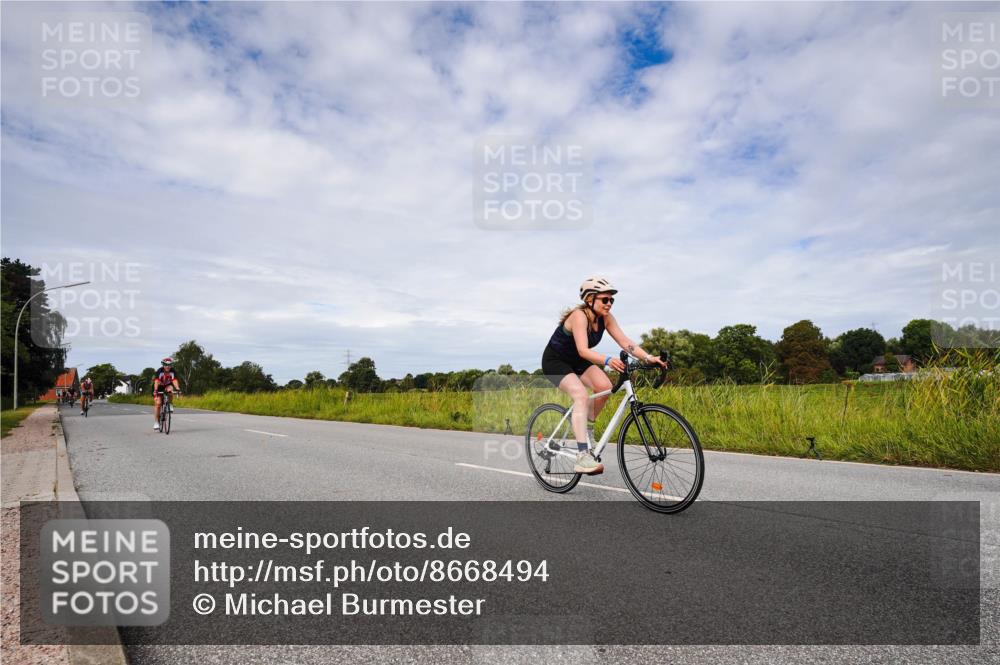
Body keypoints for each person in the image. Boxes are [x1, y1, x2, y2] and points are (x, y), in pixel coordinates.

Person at [541, 277, 666, 474]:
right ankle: (582, 456)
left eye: (611, 300)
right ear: (590, 299)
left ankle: (585, 426)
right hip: (555, 361)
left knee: (605, 387)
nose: (609, 304)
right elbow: (583, 350)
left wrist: (648, 357)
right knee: (581, 395)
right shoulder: (579, 316)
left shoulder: (606, 318)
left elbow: (625, 342)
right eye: (605, 300)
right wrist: (607, 360)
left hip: (576, 361)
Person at [152, 357, 181, 430]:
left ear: (171, 365)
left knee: (171, 389)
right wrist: (155, 390)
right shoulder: (160, 371)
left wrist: (177, 388)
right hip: (159, 387)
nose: (167, 366)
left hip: (167, 386)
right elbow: (156, 382)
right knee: (158, 404)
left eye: (169, 365)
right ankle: (156, 422)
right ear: (163, 365)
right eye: (165, 365)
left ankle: (170, 404)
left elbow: (174, 380)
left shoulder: (173, 371)